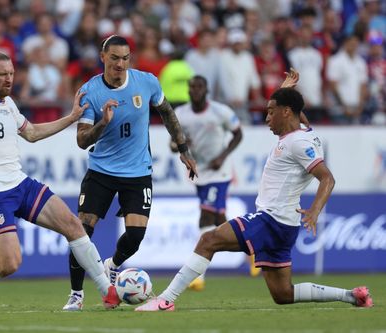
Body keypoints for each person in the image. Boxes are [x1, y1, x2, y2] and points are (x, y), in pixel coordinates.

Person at [135, 70, 373, 312]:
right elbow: (290, 106)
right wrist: (286, 89)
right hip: (285, 224)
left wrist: (314, 210)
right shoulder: (303, 131)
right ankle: (352, 296)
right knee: (283, 294)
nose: (267, 118)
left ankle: (165, 300)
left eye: (271, 112)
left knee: (208, 240)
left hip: (272, 220)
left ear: (287, 112)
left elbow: (327, 179)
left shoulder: (298, 143)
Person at [0, 51, 120, 313]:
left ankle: (107, 292)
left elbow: (31, 133)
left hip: (20, 184)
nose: (9, 79)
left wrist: (71, 118)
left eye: (11, 73)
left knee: (73, 226)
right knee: (9, 264)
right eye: (2, 75)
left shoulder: (9, 104)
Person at [63, 35, 197, 311]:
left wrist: (183, 148)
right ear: (103, 57)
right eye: (114, 58)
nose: (120, 64)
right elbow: (81, 140)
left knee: (135, 236)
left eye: (125, 58)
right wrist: (103, 122)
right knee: (80, 232)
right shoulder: (91, 91)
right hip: (101, 171)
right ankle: (76, 294)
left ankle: (111, 265)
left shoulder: (147, 82)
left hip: (137, 173)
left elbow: (168, 113)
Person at [171, 75, 246, 290]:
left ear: (206, 90)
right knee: (220, 219)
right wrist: (181, 144)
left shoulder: (220, 111)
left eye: (199, 87)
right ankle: (251, 249)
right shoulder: (181, 115)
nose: (195, 90)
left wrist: (223, 156)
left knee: (205, 215)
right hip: (199, 171)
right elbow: (172, 144)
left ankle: (197, 277)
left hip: (220, 171)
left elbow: (238, 134)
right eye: (192, 87)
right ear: (188, 90)